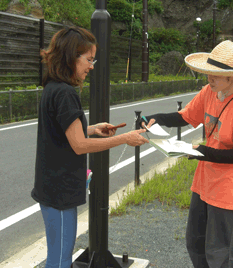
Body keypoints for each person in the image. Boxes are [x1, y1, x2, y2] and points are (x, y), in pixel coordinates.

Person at [31, 26, 151, 268]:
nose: (91, 66)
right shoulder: (66, 93)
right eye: (88, 59)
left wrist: (93, 128)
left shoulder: (52, 87)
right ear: (70, 57)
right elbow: (79, 145)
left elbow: (62, 132)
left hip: (51, 187)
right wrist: (124, 138)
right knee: (61, 259)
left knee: (56, 255)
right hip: (60, 193)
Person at [141, 40, 233, 268]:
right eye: (208, 73)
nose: (210, 78)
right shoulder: (209, 92)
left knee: (223, 254)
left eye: (216, 75)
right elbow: (186, 116)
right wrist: (157, 117)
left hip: (228, 191)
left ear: (232, 77)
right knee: (196, 244)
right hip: (204, 185)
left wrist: (203, 152)